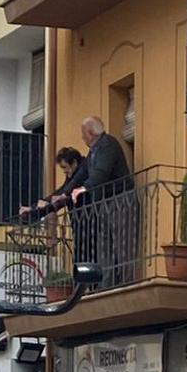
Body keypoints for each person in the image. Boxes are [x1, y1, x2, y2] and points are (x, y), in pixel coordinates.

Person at [71, 117, 136, 287]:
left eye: (83, 134)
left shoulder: (108, 145)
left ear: (91, 133)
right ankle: (107, 286)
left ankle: (125, 285)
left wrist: (85, 188)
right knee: (104, 248)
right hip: (103, 205)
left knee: (123, 246)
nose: (82, 138)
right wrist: (57, 198)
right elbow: (77, 177)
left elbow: (101, 172)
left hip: (121, 200)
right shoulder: (92, 153)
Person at [19, 147, 83, 223]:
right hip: (78, 219)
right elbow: (61, 192)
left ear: (74, 163)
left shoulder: (81, 174)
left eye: (65, 167)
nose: (64, 171)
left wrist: (38, 207)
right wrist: (34, 207)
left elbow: (63, 194)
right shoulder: (72, 175)